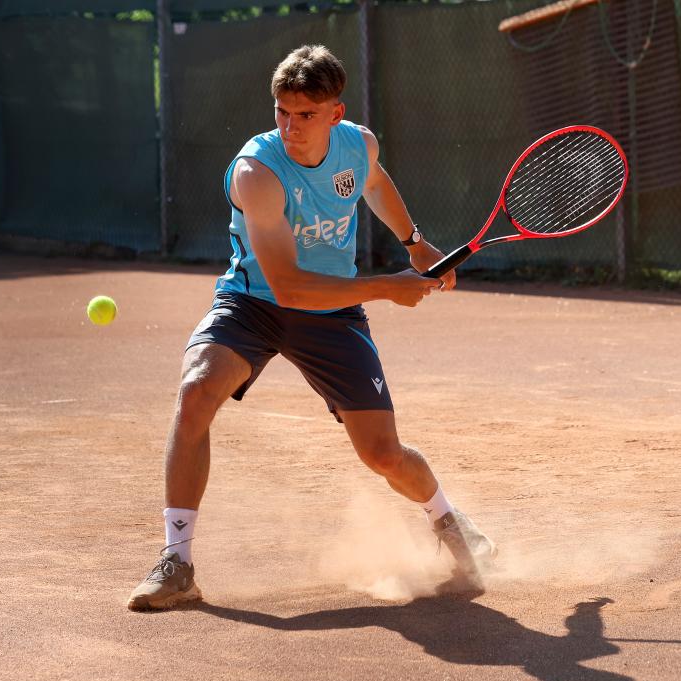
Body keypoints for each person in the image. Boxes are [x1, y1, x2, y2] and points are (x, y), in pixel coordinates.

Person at [128, 45, 495, 611]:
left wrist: (415, 242)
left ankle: (451, 522)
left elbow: (372, 182)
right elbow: (290, 288)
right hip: (254, 303)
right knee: (197, 391)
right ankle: (177, 561)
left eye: (305, 114)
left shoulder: (358, 143)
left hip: (333, 316)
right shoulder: (257, 173)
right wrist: (387, 286)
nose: (291, 126)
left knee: (383, 454)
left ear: (335, 113)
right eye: (282, 112)